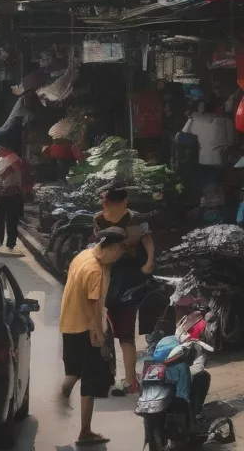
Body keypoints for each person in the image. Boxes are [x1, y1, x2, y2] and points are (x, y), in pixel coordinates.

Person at [58, 228, 127, 446]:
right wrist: (99, 335)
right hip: (86, 329)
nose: (119, 257)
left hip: (69, 324)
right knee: (90, 380)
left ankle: (63, 394)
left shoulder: (83, 256)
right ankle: (85, 431)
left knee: (74, 371)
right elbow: (94, 306)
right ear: (112, 248)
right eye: (119, 252)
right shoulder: (95, 270)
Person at [92, 187, 155, 395]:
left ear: (122, 203)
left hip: (131, 281)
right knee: (102, 330)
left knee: (126, 334)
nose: (105, 206)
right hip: (106, 279)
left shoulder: (137, 220)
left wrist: (149, 263)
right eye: (105, 202)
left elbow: (148, 242)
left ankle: (130, 381)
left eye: (108, 202)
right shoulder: (99, 220)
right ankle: (103, 377)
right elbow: (96, 249)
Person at [0, 146, 24, 255]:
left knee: (12, 220)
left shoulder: (15, 160)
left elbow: (7, 173)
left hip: (13, 193)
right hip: (1, 194)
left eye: (1, 149)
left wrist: (0, 173)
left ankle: (10, 245)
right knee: (1, 219)